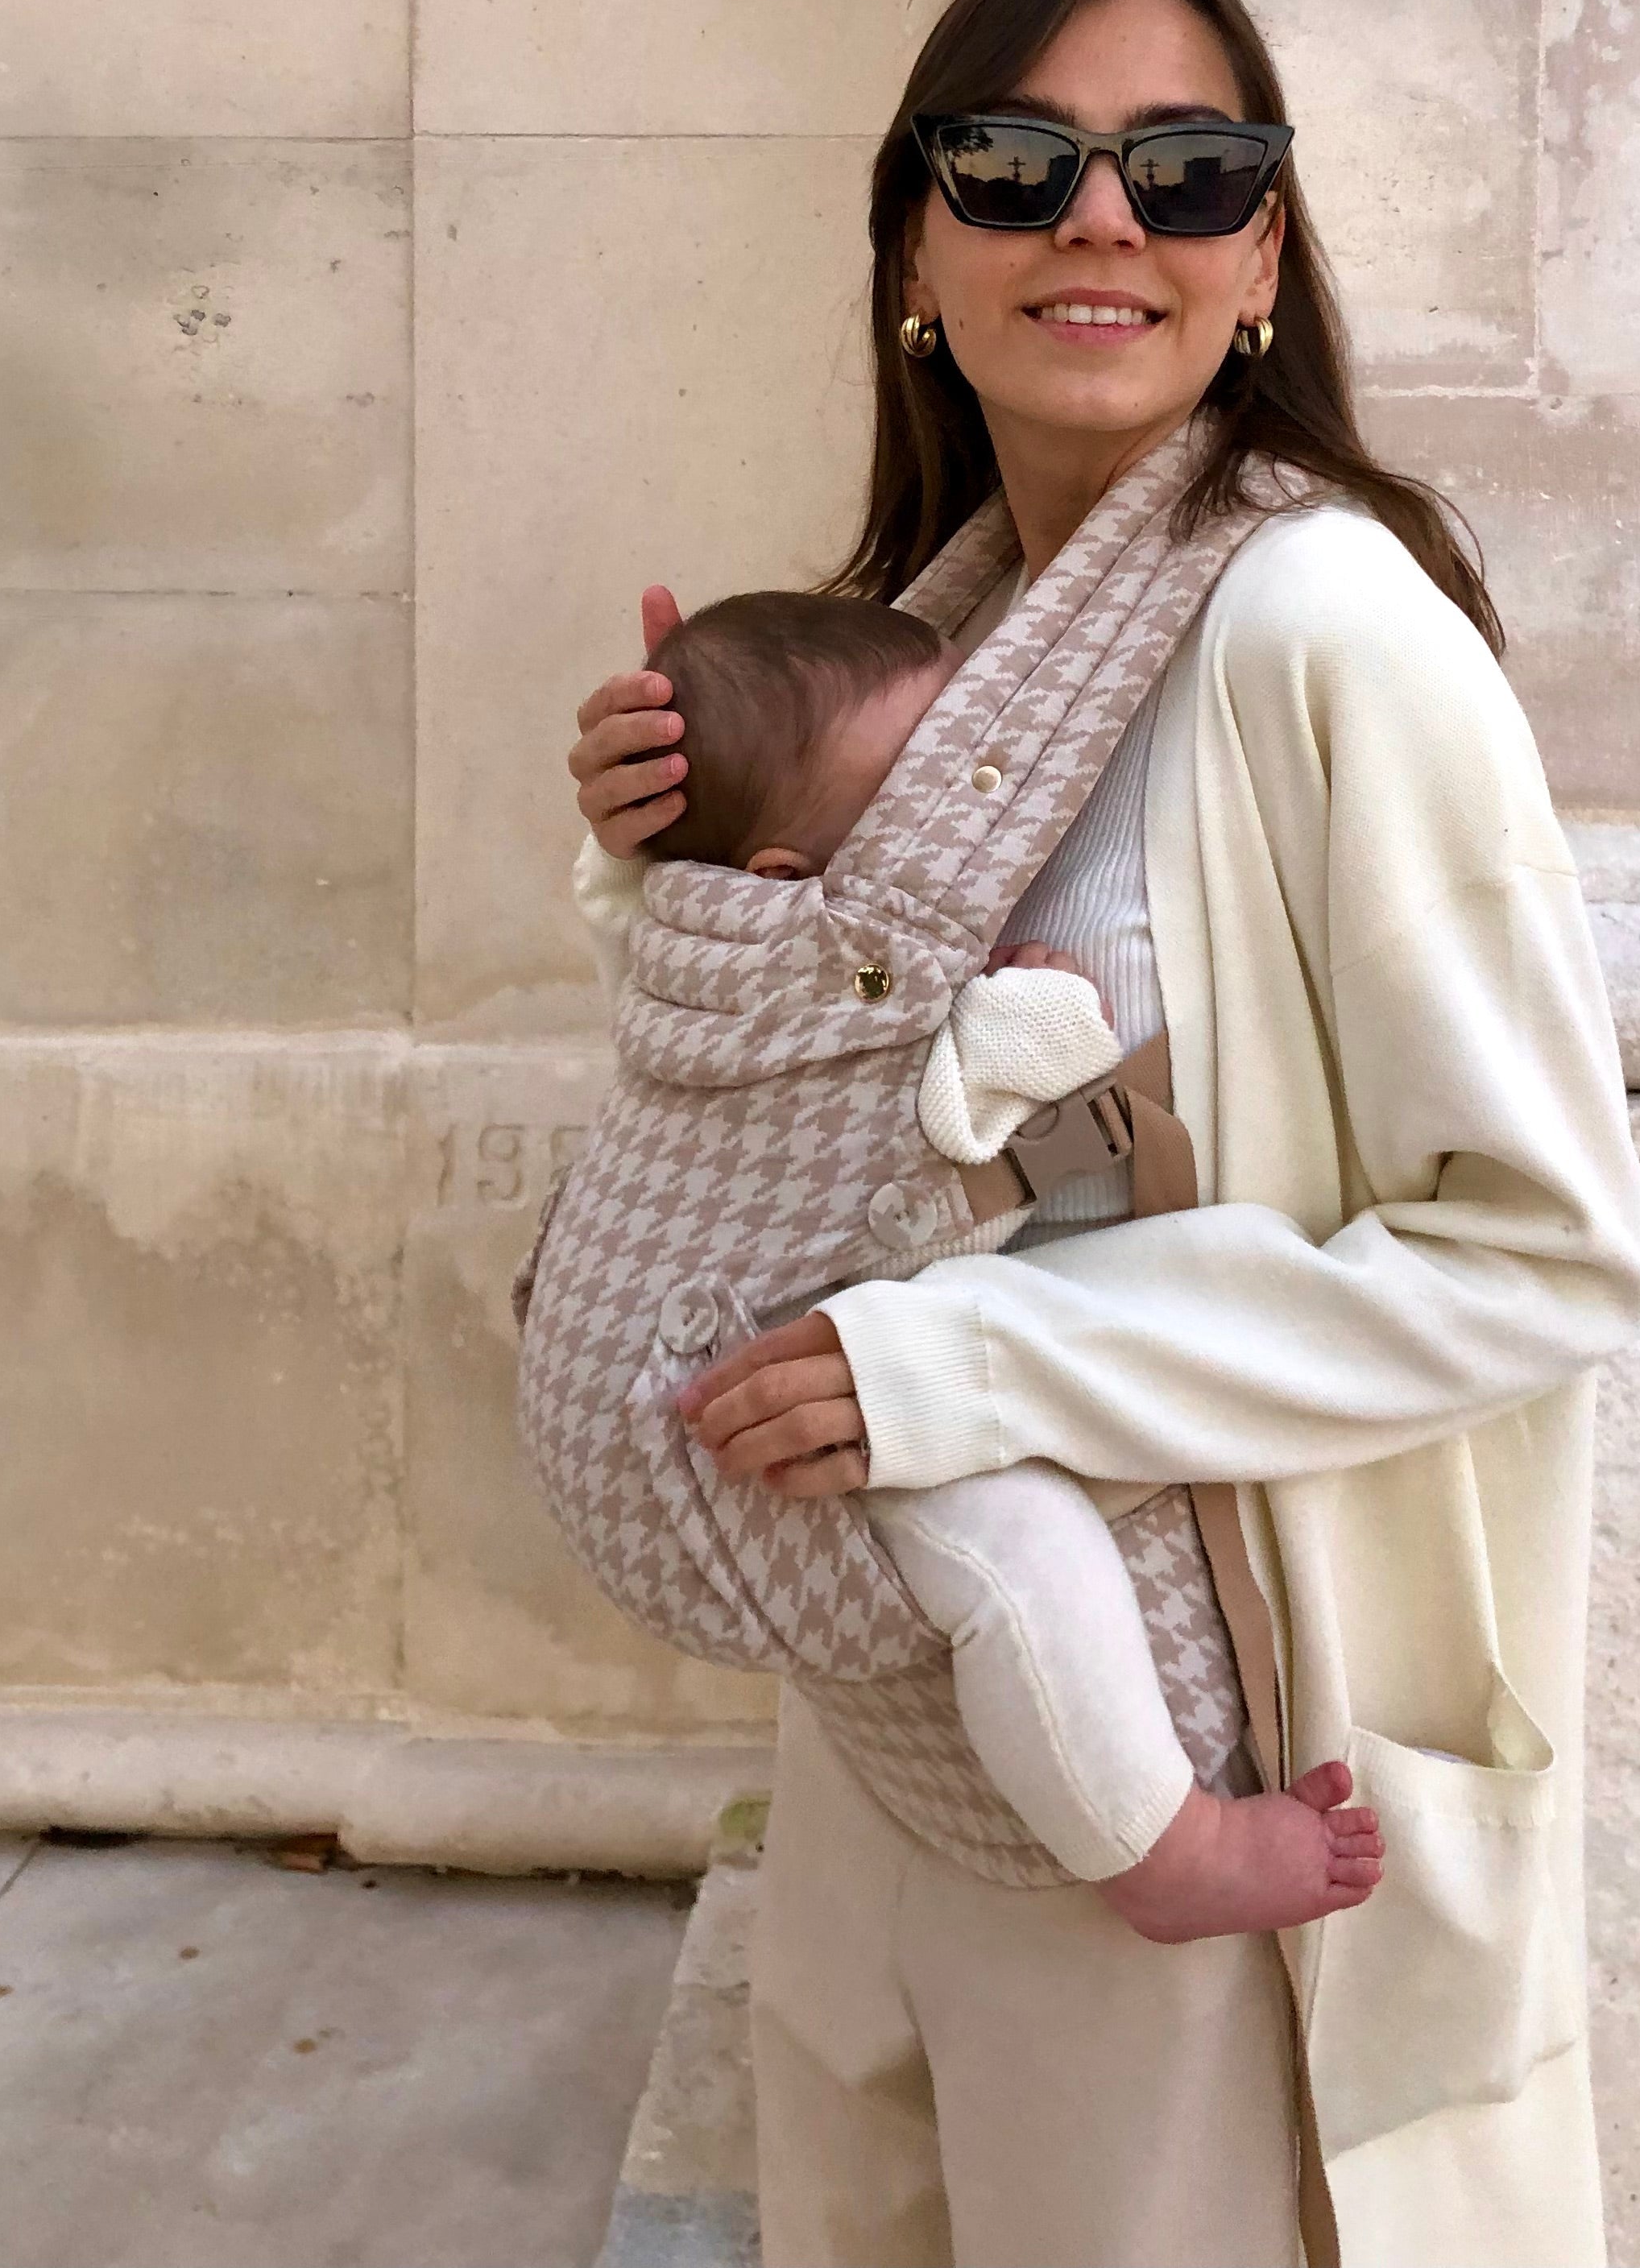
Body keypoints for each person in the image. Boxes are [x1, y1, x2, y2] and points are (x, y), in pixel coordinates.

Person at [566, 0, 1640, 2268]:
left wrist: (958, 1369)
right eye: (1019, 158)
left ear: (1261, 257)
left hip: (1199, 1759)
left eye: (1188, 169)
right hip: (913, 1739)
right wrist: (678, 863)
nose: (1101, 220)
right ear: (913, 246)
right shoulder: (920, 653)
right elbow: (826, 1119)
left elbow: (1546, 1249)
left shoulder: (1326, 633)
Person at [591, 584, 1389, 1930]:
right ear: (788, 883)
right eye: (922, 794)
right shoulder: (845, 967)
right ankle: (1165, 1852)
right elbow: (960, 1121)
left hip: (691, 1385)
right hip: (771, 1403)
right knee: (1024, 1555)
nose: (969, 821)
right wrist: (1042, 1012)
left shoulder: (708, 938)